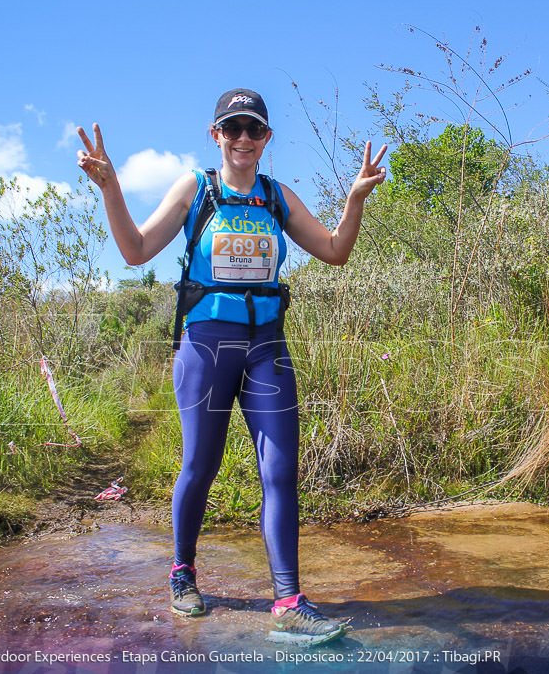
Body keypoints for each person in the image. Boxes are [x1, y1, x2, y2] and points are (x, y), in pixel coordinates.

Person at [76, 88, 387, 646]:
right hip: (206, 345)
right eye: (234, 127)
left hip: (267, 345)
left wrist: (356, 198)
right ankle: (182, 574)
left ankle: (289, 600)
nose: (244, 137)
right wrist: (110, 188)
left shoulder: (277, 196)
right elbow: (135, 250)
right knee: (200, 463)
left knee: (281, 470)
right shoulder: (196, 189)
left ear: (267, 138)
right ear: (216, 134)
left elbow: (336, 250)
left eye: (254, 129)